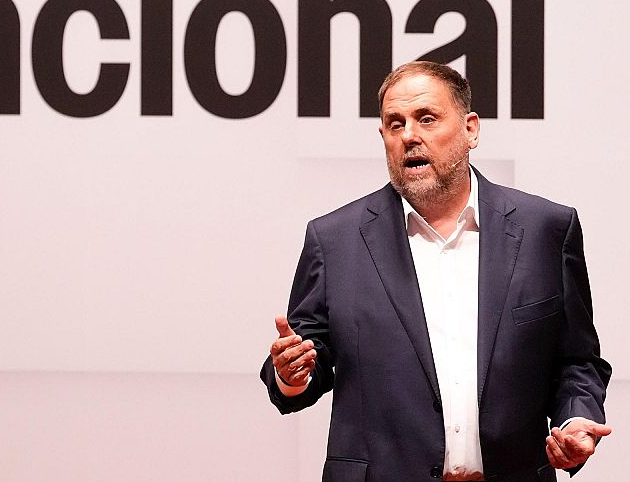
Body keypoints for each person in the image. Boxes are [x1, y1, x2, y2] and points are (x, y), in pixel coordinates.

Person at [262, 61, 611, 481]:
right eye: (395, 124)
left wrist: (575, 422)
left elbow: (576, 360)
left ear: (471, 130)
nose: (409, 135)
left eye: (426, 119)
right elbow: (305, 361)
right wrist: (291, 374)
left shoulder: (545, 229)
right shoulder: (335, 239)